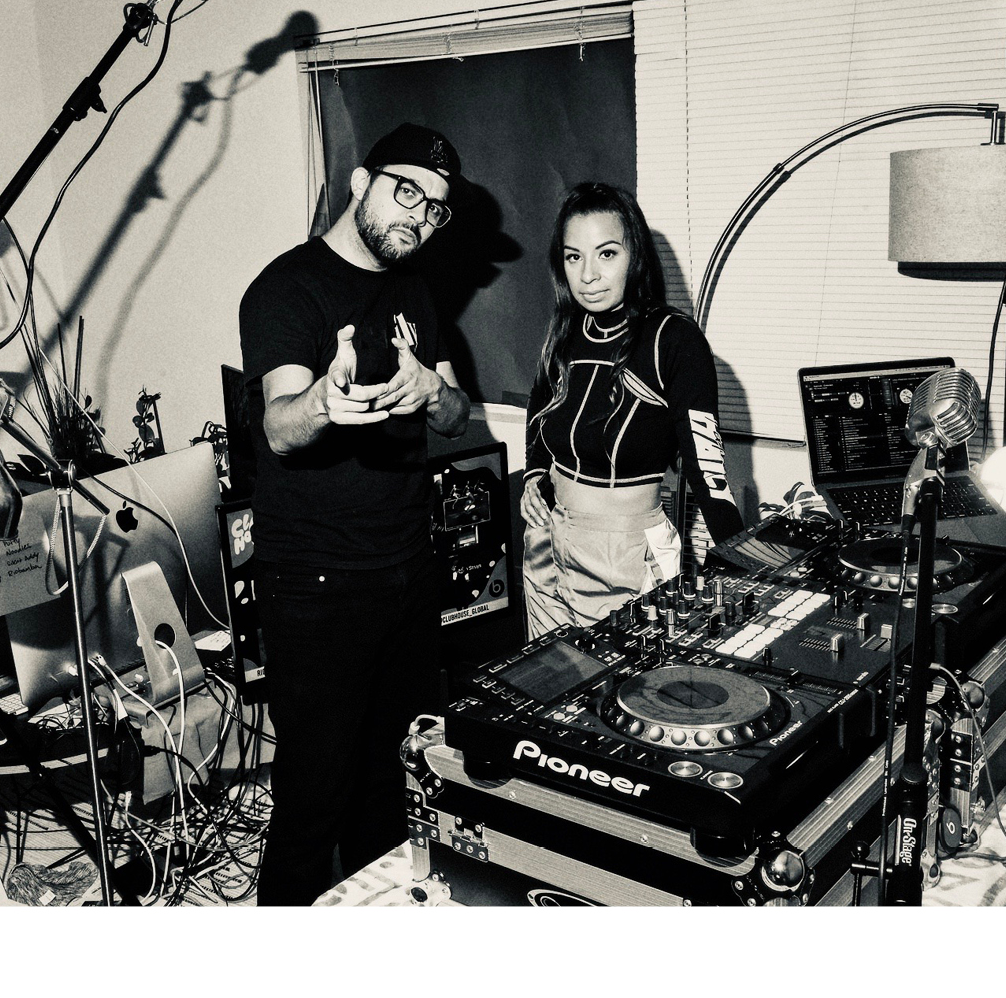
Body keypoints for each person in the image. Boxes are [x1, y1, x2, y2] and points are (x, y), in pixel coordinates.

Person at [237, 123, 471, 906]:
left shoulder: (415, 290)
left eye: (435, 207)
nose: (420, 216)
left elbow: (456, 415)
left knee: (398, 787)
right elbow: (280, 426)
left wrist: (431, 391)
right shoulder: (285, 288)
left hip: (407, 572)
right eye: (407, 191)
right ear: (360, 182)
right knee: (315, 798)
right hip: (317, 586)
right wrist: (323, 403)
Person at [521, 182, 744, 638]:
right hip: (545, 541)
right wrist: (533, 475)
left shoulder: (674, 339)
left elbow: (707, 470)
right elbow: (540, 409)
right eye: (573, 257)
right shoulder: (564, 330)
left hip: (626, 555)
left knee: (621, 681)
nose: (588, 275)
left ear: (635, 255)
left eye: (606, 254)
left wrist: (743, 561)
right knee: (548, 678)